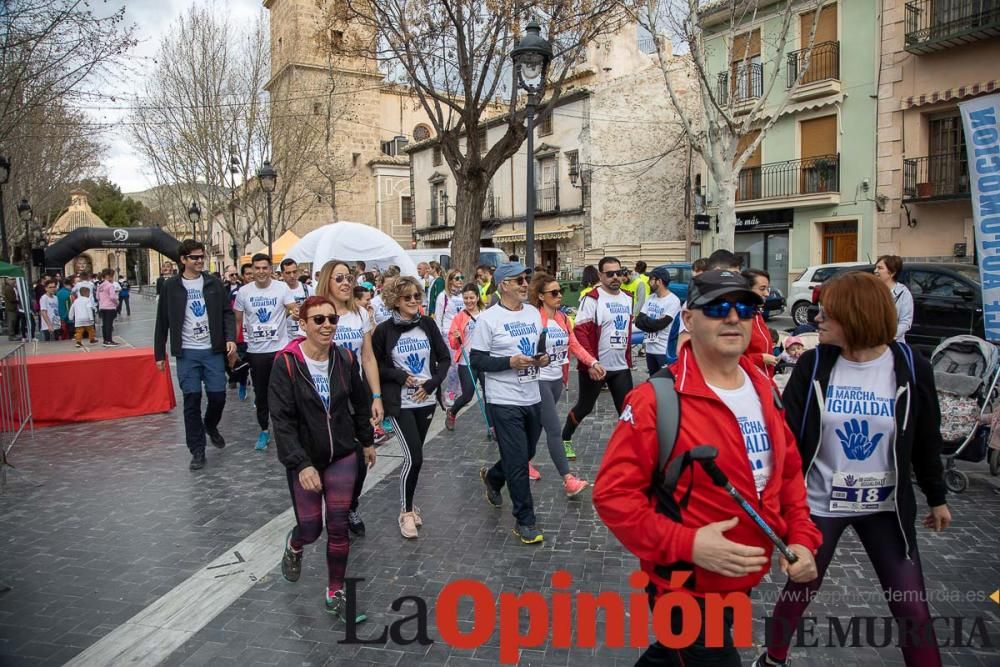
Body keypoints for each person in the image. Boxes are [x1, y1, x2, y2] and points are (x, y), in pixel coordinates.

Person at [593, 269, 821, 667]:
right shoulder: (654, 400)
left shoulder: (763, 387)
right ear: (689, 319)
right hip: (685, 585)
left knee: (672, 654)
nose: (734, 317)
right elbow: (613, 497)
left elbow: (787, 477)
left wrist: (801, 537)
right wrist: (690, 545)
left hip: (741, 577)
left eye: (746, 307)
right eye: (717, 307)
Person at [759, 271, 950, 667]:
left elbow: (926, 439)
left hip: (884, 507)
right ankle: (773, 658)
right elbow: (788, 441)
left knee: (912, 607)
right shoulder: (814, 365)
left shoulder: (911, 367)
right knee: (799, 590)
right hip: (820, 505)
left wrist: (937, 497)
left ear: (857, 316)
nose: (816, 319)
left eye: (827, 313)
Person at [270, 295, 376, 623]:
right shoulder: (286, 362)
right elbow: (282, 420)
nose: (327, 325)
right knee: (312, 527)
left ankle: (335, 592)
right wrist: (300, 464)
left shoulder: (344, 357)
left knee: (339, 526)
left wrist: (367, 442)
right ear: (302, 325)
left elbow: (359, 402)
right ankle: (296, 543)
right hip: (307, 459)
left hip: (343, 453)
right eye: (318, 320)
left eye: (332, 319)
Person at [471, 262, 551, 545]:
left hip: (532, 395)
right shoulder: (488, 319)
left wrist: (544, 358)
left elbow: (540, 346)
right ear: (503, 285)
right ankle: (525, 521)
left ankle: (494, 477)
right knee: (518, 461)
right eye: (518, 280)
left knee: (526, 452)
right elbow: (477, 360)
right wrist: (509, 362)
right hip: (503, 399)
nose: (524, 284)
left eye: (525, 279)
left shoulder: (532, 313)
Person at [372, 276, 451, 538]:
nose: (415, 301)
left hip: (425, 401)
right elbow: (376, 367)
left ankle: (410, 504)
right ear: (395, 300)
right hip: (401, 404)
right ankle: (405, 513)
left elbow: (444, 358)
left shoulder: (427, 324)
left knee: (416, 458)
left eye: (417, 296)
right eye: (408, 298)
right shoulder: (384, 331)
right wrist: (398, 376)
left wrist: (432, 384)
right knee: (413, 457)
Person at [316, 260, 386, 537]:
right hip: (326, 397)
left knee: (362, 457)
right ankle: (336, 507)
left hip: (356, 395)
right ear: (327, 281)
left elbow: (368, 357)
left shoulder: (359, 314)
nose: (346, 283)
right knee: (332, 456)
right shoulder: (318, 314)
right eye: (339, 278)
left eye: (349, 278)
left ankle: (350, 505)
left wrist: (376, 396)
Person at [154, 240, 237, 470]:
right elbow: (162, 321)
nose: (200, 261)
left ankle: (210, 425)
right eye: (194, 257)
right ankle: (197, 451)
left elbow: (227, 313)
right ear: (183, 260)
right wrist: (159, 353)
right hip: (187, 353)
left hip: (212, 351)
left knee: (218, 397)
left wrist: (230, 338)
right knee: (191, 400)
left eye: (202, 257)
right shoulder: (171, 286)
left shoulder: (214, 284)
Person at [529, 273, 602, 496]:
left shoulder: (562, 318)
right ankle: (568, 479)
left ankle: (519, 462)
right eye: (554, 293)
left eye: (560, 291)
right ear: (541, 296)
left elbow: (574, 345)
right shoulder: (534, 319)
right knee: (553, 428)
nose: (559, 295)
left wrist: (592, 361)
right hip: (538, 380)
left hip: (556, 381)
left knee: (537, 428)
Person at [561, 256, 635, 453]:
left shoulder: (628, 297)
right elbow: (581, 333)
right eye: (610, 274)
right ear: (601, 275)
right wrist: (591, 363)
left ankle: (628, 450)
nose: (615, 277)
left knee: (627, 410)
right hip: (597, 366)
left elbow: (627, 329)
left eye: (619, 273)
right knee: (584, 408)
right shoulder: (592, 298)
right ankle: (565, 437)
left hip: (620, 366)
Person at [234, 253, 297, 451]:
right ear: (251, 270)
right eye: (257, 268)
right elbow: (238, 321)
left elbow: (293, 309)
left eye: (265, 268)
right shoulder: (244, 292)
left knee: (285, 392)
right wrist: (236, 346)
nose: (261, 272)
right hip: (256, 351)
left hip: (279, 349)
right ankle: (264, 429)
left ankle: (286, 430)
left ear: (270, 269)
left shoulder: (281, 288)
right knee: (261, 394)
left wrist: (297, 313)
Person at [445, 283, 485, 430]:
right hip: (466, 360)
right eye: (466, 298)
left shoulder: (486, 314)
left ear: (477, 297)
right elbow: (453, 343)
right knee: (467, 395)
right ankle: (452, 412)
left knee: (490, 394)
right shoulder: (459, 317)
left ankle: (493, 426)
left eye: (471, 297)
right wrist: (455, 337)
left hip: (485, 360)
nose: (469, 301)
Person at [636, 266, 682, 375]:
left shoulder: (673, 300)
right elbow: (638, 321)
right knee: (654, 383)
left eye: (651, 279)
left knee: (666, 383)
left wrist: (647, 321)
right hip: (650, 350)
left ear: (659, 281)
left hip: (663, 351)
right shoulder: (651, 298)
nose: (648, 282)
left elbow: (660, 325)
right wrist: (654, 321)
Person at [742, 268, 777, 377]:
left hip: (764, 380)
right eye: (762, 289)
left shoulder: (757, 314)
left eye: (767, 289)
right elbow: (731, 358)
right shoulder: (739, 318)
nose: (766, 294)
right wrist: (760, 359)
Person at [874, 254, 914, 342]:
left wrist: (888, 337)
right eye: (876, 267)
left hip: (893, 343)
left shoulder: (904, 293)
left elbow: (905, 322)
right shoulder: (871, 291)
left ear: (892, 273)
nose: (875, 271)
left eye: (880, 268)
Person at [280, 258, 311, 340]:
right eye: (288, 273)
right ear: (282, 274)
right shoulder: (278, 291)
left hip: (305, 336)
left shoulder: (308, 290)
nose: (292, 276)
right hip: (285, 338)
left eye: (294, 272)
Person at [435, 268, 466, 336]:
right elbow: (438, 318)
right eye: (457, 278)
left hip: (461, 333)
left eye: (461, 277)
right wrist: (439, 336)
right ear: (450, 281)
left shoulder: (463, 295)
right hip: (448, 333)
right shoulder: (443, 296)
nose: (460, 280)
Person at [96, 269, 120, 347]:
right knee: (109, 324)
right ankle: (109, 340)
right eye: (112, 276)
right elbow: (112, 297)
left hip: (102, 307)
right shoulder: (110, 285)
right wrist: (117, 303)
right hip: (110, 307)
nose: (112, 278)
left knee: (104, 324)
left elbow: (97, 297)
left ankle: (105, 340)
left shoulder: (99, 286)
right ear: (108, 276)